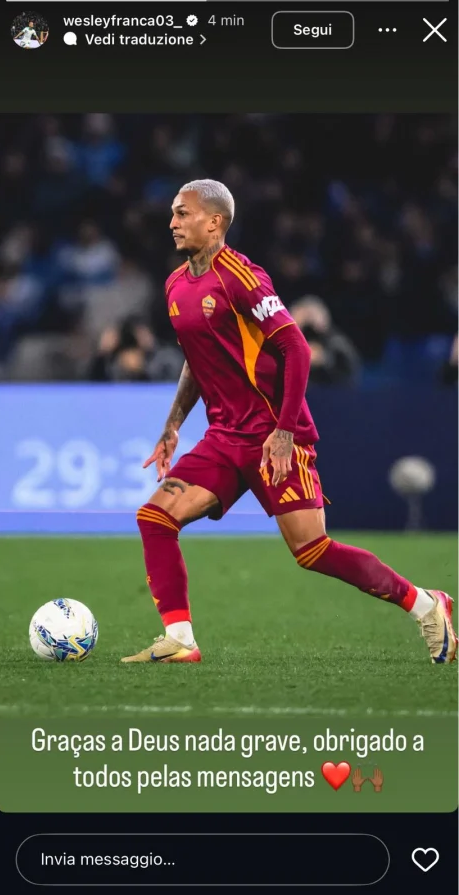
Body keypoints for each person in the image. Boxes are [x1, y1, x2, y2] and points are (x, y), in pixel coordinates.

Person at [121, 179, 457, 666]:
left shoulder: (240, 276)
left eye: (182, 213)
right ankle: (180, 638)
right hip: (224, 437)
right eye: (172, 213)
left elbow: (295, 345)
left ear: (214, 222)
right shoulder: (176, 285)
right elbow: (197, 358)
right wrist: (173, 423)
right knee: (155, 517)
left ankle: (427, 604)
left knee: (311, 550)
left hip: (272, 434)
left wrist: (283, 431)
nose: (172, 222)